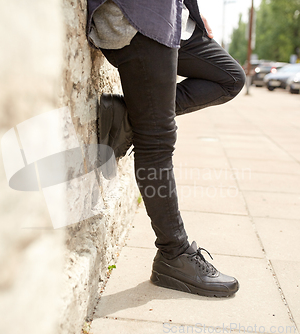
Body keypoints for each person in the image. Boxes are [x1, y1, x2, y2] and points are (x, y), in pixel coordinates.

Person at [87, 0, 246, 297]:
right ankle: (173, 254)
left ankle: (132, 116)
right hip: (137, 19)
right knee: (157, 139)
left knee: (230, 78)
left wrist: (193, 11)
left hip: (172, 20)